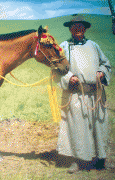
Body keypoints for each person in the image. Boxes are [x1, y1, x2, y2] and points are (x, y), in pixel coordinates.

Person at [56, 15, 113, 173]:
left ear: (85, 28)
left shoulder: (93, 45)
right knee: (78, 128)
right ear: (70, 29)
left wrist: (101, 73)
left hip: (96, 94)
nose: (78, 29)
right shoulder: (64, 46)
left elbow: (105, 63)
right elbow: (58, 69)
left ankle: (101, 160)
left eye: (81, 26)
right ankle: (79, 161)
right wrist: (69, 77)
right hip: (76, 95)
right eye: (74, 27)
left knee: (99, 127)